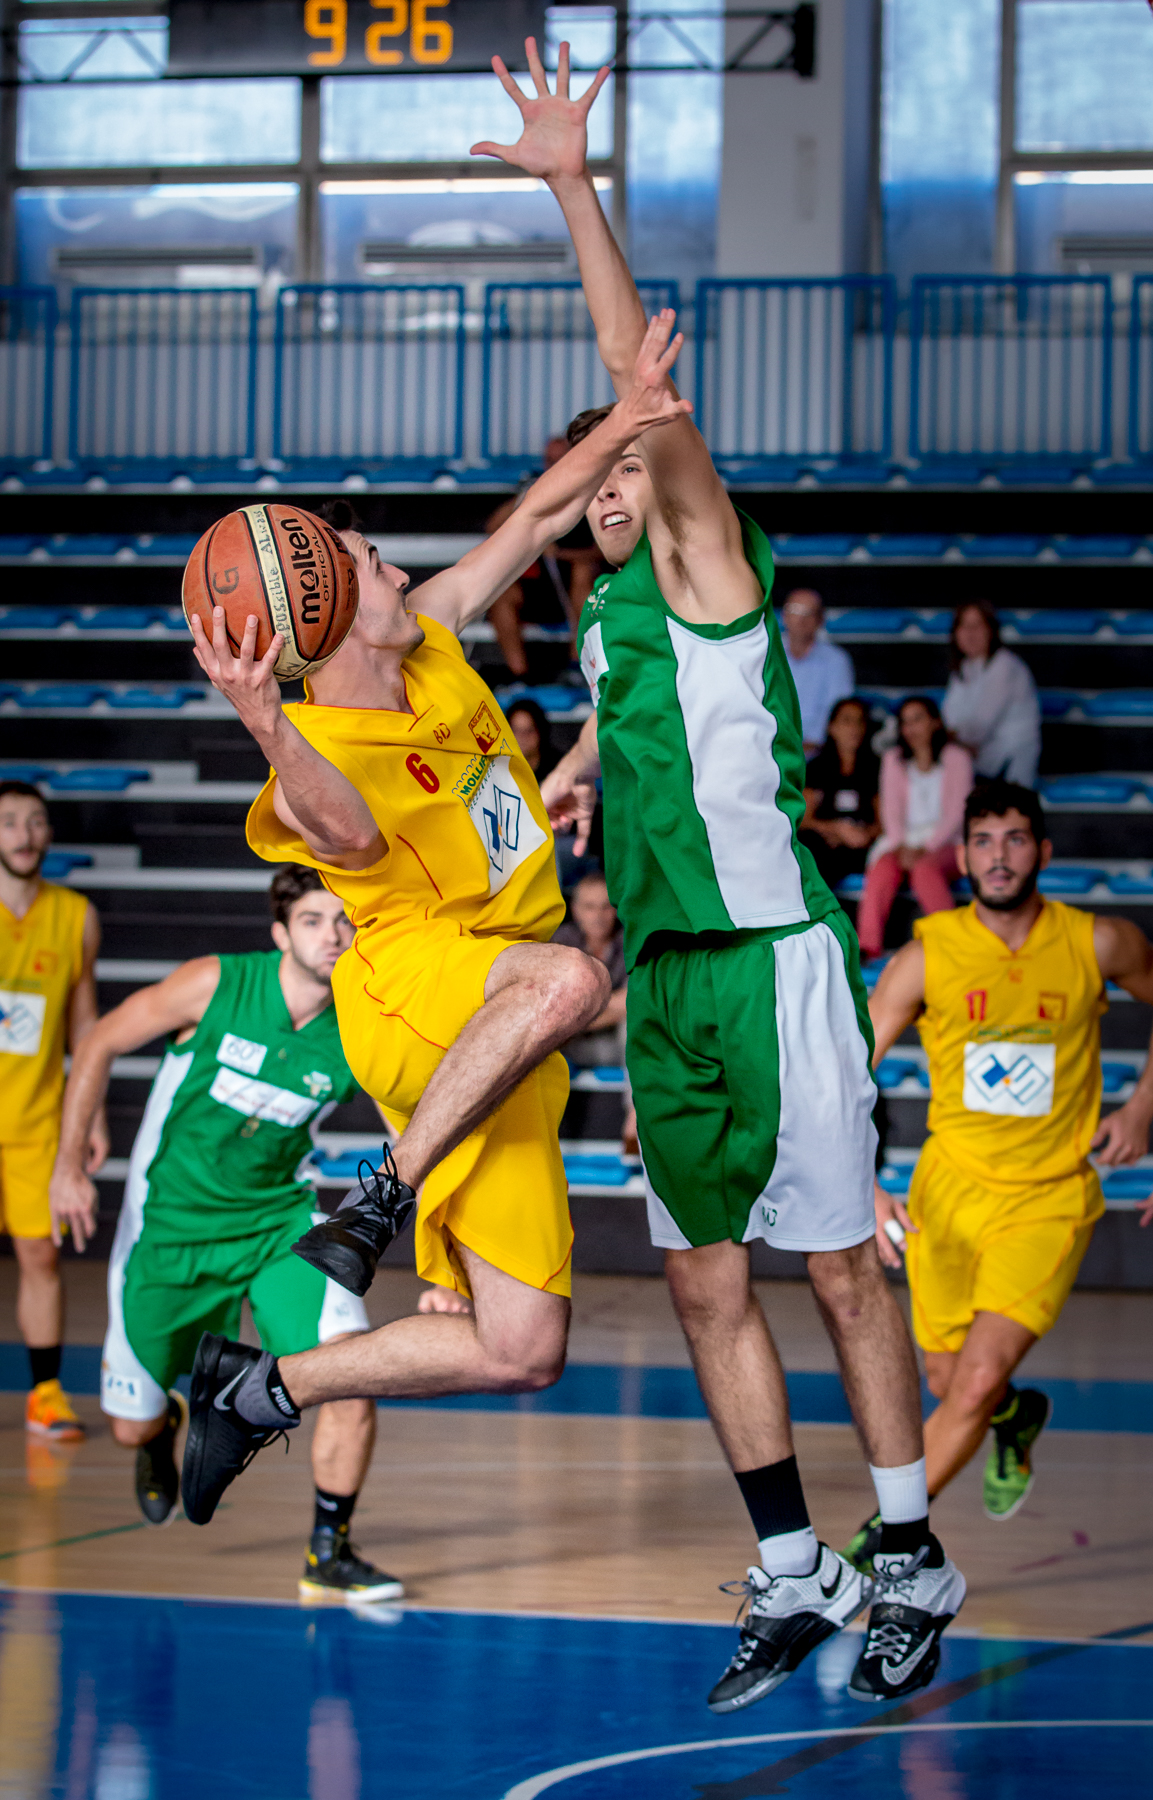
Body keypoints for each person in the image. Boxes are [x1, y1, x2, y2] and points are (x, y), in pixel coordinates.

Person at [478, 38, 964, 1711]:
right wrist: (566, 773)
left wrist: (567, 185)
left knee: (833, 1273)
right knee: (700, 1289)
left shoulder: (701, 552)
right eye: (595, 471)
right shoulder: (607, 630)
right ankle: (790, 1564)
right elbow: (635, 740)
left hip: (776, 960)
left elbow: (638, 374)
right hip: (668, 988)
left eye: (628, 463)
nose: (615, 490)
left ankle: (907, 1550)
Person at [173, 322, 692, 1530]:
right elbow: (348, 839)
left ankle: (258, 1389)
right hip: (416, 990)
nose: (402, 572)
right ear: (334, 617)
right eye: (375, 564)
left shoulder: (435, 640)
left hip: (493, 1019)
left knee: (521, 1347)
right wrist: (264, 721)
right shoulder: (320, 748)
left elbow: (529, 524)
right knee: (575, 982)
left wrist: (626, 414)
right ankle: (379, 1197)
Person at [48, 866, 397, 1601]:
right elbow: (103, 1039)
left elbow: (413, 1137)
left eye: (344, 919)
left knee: (351, 1376)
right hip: (169, 1231)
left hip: (279, 1224)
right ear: (280, 933)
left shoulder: (363, 1023)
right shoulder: (215, 984)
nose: (332, 935)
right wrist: (67, 1166)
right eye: (312, 919)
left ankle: (327, 1551)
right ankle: (163, 1425)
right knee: (125, 1426)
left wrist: (451, 1268)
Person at [849, 781, 1153, 1560]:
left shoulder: (1098, 942)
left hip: (1048, 1199)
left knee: (975, 1379)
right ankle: (1016, 1420)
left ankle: (885, 1543)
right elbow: (850, 1073)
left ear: (1043, 852)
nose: (998, 856)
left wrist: (1143, 1109)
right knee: (954, 1385)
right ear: (961, 857)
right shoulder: (927, 955)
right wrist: (865, 1176)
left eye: (1015, 839)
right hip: (945, 1197)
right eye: (983, 841)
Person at [0, 780, 103, 1444]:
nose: (24, 834)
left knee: (41, 1256)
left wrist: (90, 1117)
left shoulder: (75, 915)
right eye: (9, 822)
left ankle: (44, 1395)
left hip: (35, 1121)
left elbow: (85, 1021)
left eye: (35, 822)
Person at [856, 696, 973, 960]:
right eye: (905, 722)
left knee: (925, 869)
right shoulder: (893, 759)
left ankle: (951, 943)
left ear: (935, 722)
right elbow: (891, 809)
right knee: (882, 868)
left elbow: (957, 813)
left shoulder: (957, 758)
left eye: (918, 719)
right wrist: (901, 845)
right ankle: (868, 945)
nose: (911, 728)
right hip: (902, 840)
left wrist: (925, 848)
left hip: (948, 841)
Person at [484, 437, 605, 676]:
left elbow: (603, 552)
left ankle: (575, 666)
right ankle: (519, 675)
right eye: (550, 461)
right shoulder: (535, 495)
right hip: (539, 588)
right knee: (503, 594)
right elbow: (492, 527)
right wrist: (526, 500)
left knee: (582, 574)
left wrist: (560, 554)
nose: (555, 466)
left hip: (578, 590)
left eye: (561, 459)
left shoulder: (592, 496)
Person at [942, 601, 1040, 787]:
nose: (970, 633)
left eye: (977, 626)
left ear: (991, 630)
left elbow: (979, 727)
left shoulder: (1005, 665)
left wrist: (953, 738)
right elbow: (950, 718)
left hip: (1009, 765)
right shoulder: (963, 669)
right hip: (979, 763)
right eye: (964, 626)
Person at [799, 697, 881, 891]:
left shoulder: (876, 768)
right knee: (810, 847)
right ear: (832, 727)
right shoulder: (817, 768)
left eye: (859, 721)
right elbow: (803, 819)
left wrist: (863, 835)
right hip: (824, 841)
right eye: (846, 720)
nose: (854, 727)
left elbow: (883, 822)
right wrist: (835, 829)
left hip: (860, 844)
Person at [552, 871, 626, 1066]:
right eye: (589, 907)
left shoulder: (628, 941)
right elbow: (554, 1009)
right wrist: (612, 1006)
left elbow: (631, 1002)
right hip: (565, 1043)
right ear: (575, 909)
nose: (598, 916)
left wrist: (578, 1014)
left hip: (617, 1042)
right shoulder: (560, 941)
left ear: (616, 910)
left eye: (605, 907)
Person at [780, 589, 855, 754]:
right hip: (770, 749)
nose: (801, 619)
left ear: (820, 619)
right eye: (795, 611)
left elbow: (839, 712)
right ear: (784, 616)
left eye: (809, 612)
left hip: (820, 753)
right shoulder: (766, 655)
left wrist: (810, 745)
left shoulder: (837, 660)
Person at [506, 696, 560, 784]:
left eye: (529, 731)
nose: (522, 737)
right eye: (516, 731)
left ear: (540, 732)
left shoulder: (559, 767)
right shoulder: (497, 768)